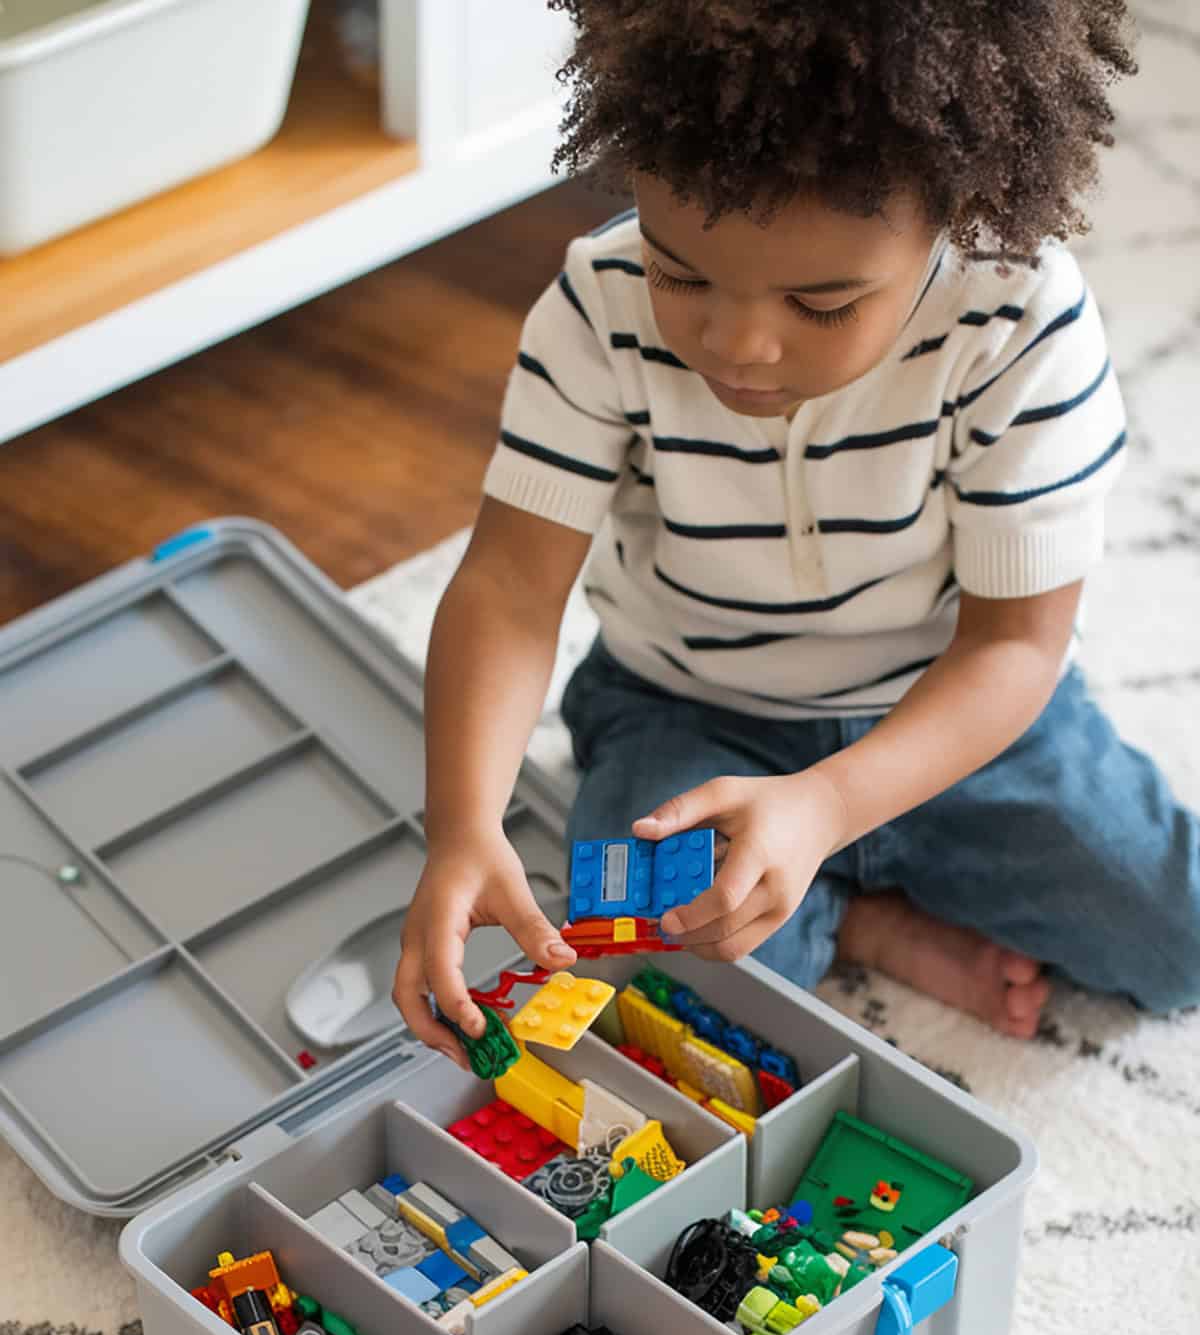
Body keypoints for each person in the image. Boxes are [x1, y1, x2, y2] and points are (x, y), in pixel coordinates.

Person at [393, 0, 1200, 1066]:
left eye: (821, 305)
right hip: (690, 713)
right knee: (674, 1015)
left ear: (957, 214)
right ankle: (865, 916)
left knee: (1173, 939)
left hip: (951, 713)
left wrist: (829, 804)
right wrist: (461, 826)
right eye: (682, 272)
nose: (737, 344)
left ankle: (839, 870)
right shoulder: (599, 306)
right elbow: (506, 588)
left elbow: (1015, 647)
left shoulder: (1019, 319)